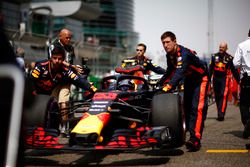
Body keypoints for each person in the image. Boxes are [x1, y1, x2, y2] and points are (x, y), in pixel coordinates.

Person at [158, 31, 209, 151]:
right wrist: (159, 84)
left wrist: (168, 86)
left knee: (197, 108)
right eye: (163, 43)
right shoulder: (169, 55)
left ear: (175, 41)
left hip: (201, 79)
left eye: (167, 42)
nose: (165, 45)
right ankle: (182, 134)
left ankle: (195, 140)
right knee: (186, 108)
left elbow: (179, 73)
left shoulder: (184, 54)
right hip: (189, 79)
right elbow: (170, 71)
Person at [30, 45, 97, 135]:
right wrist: (32, 92)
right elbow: (30, 80)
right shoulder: (41, 66)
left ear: (63, 59)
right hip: (37, 94)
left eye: (60, 59)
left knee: (54, 109)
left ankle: (62, 128)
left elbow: (79, 81)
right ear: (51, 58)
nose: (57, 61)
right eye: (54, 58)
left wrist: (94, 89)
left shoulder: (66, 70)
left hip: (50, 93)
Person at [209, 42, 240, 121]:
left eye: (222, 47)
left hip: (224, 79)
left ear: (226, 48)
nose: (221, 49)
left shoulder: (230, 58)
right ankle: (219, 112)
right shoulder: (214, 56)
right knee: (217, 96)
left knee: (223, 95)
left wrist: (239, 81)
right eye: (220, 47)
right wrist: (208, 80)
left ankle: (221, 114)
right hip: (215, 79)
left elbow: (234, 71)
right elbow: (210, 69)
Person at [233, 28, 250, 139]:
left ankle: (247, 121)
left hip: (247, 78)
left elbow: (235, 63)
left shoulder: (242, 45)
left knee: (244, 103)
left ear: (248, 33)